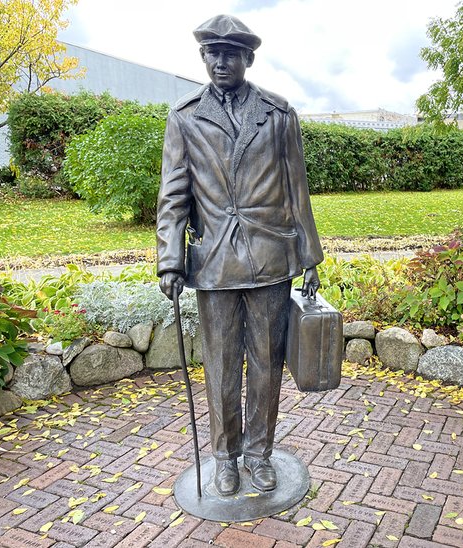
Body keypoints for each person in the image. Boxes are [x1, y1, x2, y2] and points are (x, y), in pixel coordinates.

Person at [156, 14, 324, 496]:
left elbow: (297, 191)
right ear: (203, 57)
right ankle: (224, 457)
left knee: (267, 364)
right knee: (222, 366)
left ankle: (259, 453)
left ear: (248, 59)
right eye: (213, 53)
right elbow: (173, 195)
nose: (221, 62)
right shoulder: (185, 117)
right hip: (213, 264)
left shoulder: (278, 114)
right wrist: (170, 258)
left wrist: (309, 256)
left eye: (231, 53)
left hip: (270, 258)